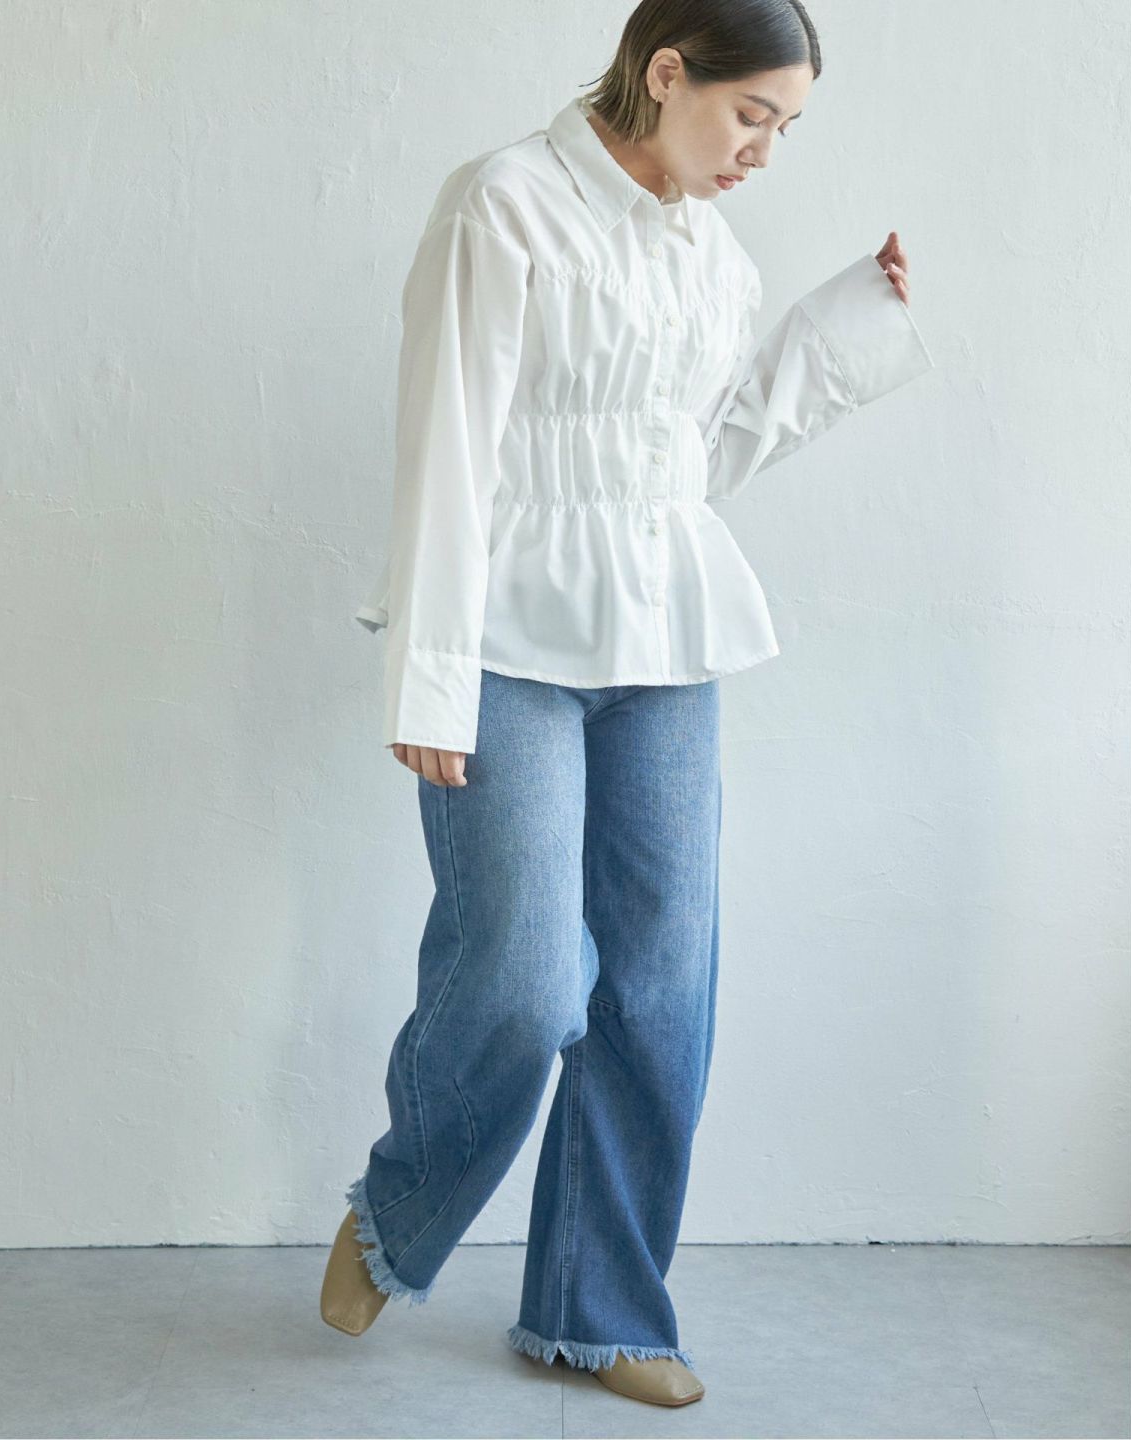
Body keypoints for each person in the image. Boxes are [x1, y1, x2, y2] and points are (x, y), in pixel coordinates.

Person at [322, 0, 935, 1410]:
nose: (764, 152)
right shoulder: (505, 203)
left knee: (661, 985)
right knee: (530, 979)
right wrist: (430, 673)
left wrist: (849, 329)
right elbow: (447, 445)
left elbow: (693, 462)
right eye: (752, 115)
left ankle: (599, 1308)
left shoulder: (711, 254)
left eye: (787, 127)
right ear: (667, 71)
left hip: (664, 634)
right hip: (504, 639)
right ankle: (399, 1208)